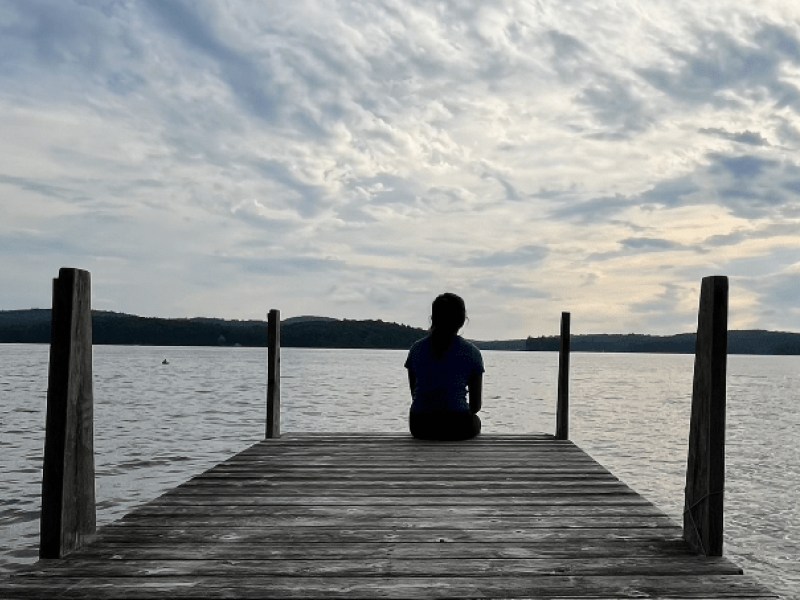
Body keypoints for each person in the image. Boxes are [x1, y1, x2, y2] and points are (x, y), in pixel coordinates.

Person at [404, 293, 484, 440]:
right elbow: (475, 406)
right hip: (458, 426)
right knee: (477, 421)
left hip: (420, 426)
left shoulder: (416, 349)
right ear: (461, 321)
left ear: (433, 319)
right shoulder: (472, 352)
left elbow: (415, 395)